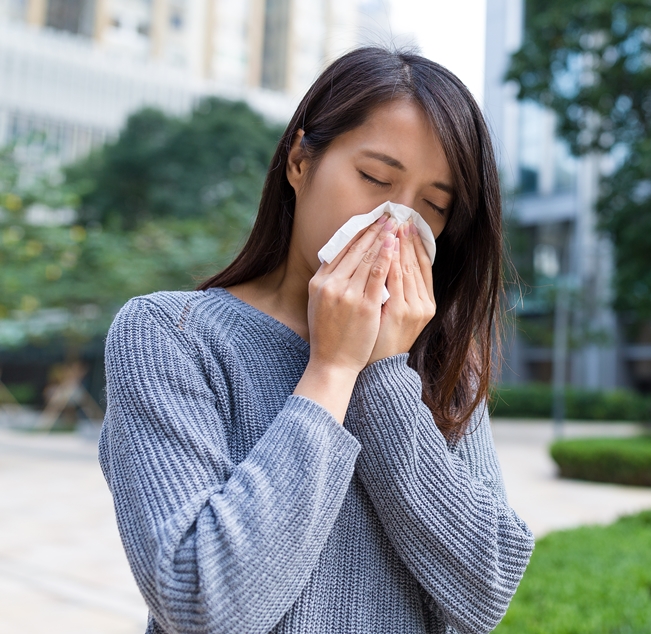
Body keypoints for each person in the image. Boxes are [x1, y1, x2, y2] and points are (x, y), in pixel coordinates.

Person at [97, 48, 534, 634]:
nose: (394, 224)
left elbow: (488, 588)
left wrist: (383, 375)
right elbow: (203, 602)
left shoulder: (440, 361)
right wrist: (333, 368)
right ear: (300, 161)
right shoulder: (169, 336)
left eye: (433, 206)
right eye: (375, 178)